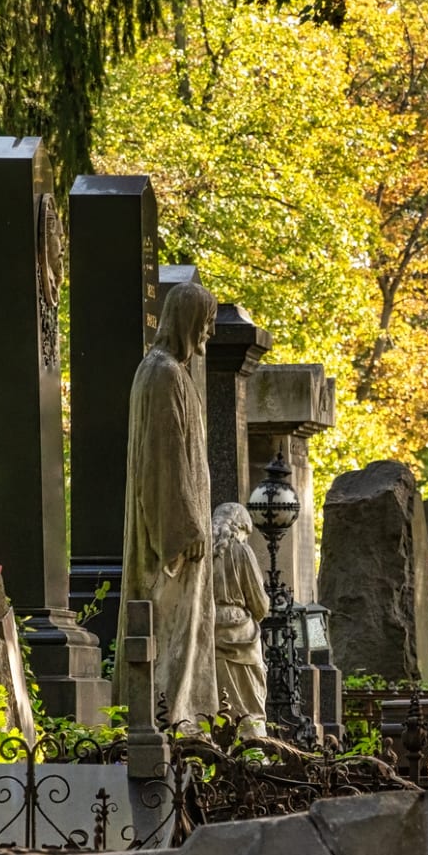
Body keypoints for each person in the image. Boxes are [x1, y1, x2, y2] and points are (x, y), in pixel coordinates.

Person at [116, 282, 218, 726]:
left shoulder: (167, 370)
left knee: (185, 635)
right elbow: (164, 457)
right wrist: (185, 528)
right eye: (207, 322)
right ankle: (168, 722)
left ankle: (180, 719)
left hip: (182, 535)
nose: (210, 333)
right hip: (173, 545)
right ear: (189, 321)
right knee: (171, 634)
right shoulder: (163, 374)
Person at [209, 502, 270, 735]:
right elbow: (259, 604)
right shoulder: (241, 551)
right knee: (249, 701)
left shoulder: (203, 553)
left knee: (218, 698)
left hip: (210, 628)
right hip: (241, 631)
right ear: (240, 527)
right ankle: (252, 747)